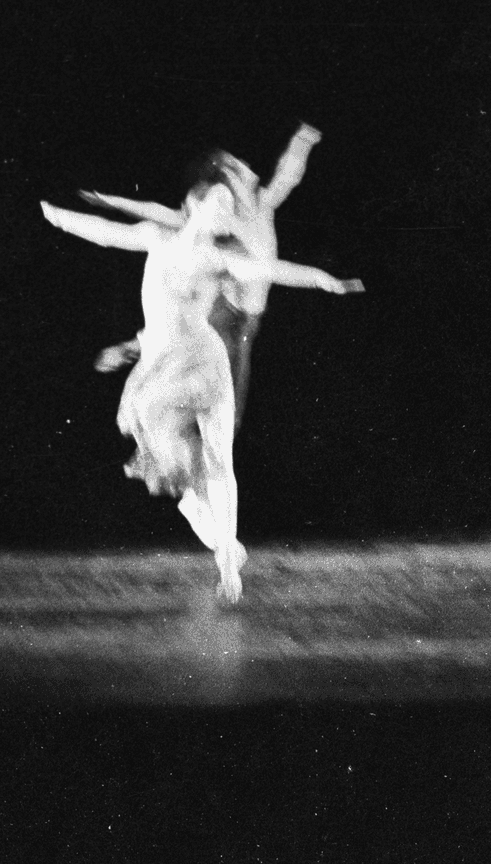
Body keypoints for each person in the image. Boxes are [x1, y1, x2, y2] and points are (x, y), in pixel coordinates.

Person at [40, 174, 361, 601]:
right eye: (221, 202)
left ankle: (228, 563)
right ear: (194, 205)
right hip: (164, 364)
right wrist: (57, 217)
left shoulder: (219, 259)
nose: (229, 212)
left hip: (205, 364)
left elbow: (271, 269)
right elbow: (107, 234)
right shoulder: (157, 238)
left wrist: (324, 279)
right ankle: (207, 520)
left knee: (218, 459)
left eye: (231, 207)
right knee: (161, 441)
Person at [81, 122, 323, 433]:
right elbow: (159, 212)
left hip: (243, 317)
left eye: (238, 174)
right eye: (231, 177)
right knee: (188, 318)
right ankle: (138, 358)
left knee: (227, 381)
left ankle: (148, 368)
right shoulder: (218, 216)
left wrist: (302, 140)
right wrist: (113, 202)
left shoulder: (263, 204)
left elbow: (288, 176)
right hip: (220, 302)